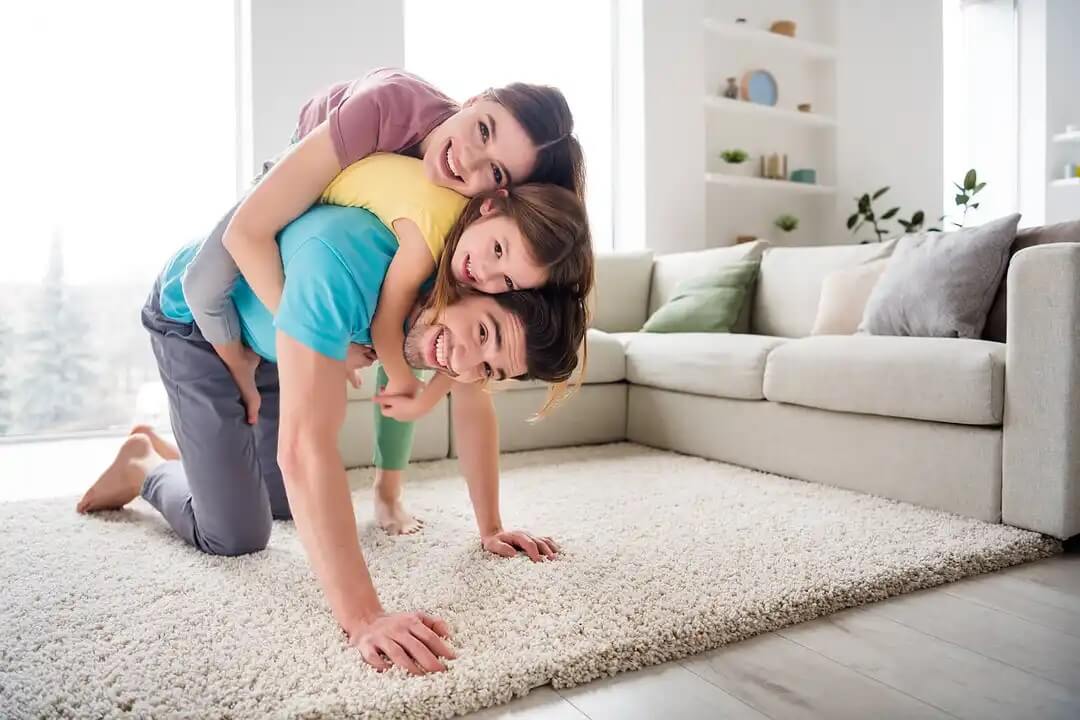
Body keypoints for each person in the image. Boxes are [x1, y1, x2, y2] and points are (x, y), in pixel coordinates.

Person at [78, 202, 587, 676]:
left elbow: (475, 405)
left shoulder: (463, 313)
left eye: (488, 365)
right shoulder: (344, 267)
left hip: (277, 343)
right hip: (196, 323)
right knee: (236, 535)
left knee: (283, 504)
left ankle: (195, 458)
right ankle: (145, 462)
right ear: (470, 286)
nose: (459, 363)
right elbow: (302, 450)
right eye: (482, 336)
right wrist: (364, 616)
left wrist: (491, 527)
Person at [182, 67, 588, 534]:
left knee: (424, 339)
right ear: (473, 99)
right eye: (482, 129)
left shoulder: (477, 249)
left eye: (495, 170)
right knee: (203, 285)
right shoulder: (387, 107)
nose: (470, 161)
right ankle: (235, 364)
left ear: (500, 192)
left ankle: (387, 488)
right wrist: (307, 346)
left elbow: (467, 378)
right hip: (318, 150)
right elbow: (247, 234)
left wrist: (491, 527)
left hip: (366, 209)